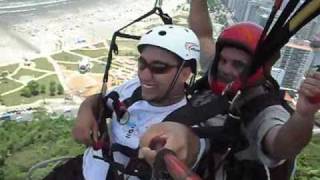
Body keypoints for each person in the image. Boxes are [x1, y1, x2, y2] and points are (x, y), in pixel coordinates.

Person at [139, 0, 320, 179]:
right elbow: (203, 34)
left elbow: (281, 145)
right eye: (224, 60)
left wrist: (304, 115)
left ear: (257, 69)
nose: (226, 69)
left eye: (238, 65)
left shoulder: (263, 108)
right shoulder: (217, 73)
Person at [71, 24, 202, 180]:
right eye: (142, 64)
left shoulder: (186, 121)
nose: (145, 76)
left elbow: (189, 146)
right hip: (86, 168)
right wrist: (84, 112)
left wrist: (173, 154)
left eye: (158, 68)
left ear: (184, 73)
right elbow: (101, 100)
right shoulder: (133, 88)